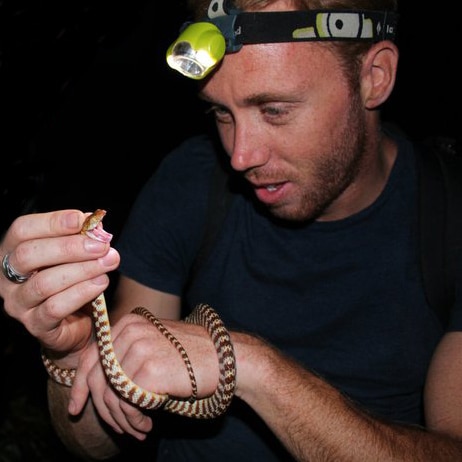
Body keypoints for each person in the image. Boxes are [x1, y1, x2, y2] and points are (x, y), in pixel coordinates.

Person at [1, 0, 461, 460]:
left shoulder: (449, 219)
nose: (240, 157)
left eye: (275, 110)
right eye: (221, 113)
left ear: (374, 76)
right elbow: (97, 444)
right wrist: (72, 354)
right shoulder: (190, 181)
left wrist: (253, 368)